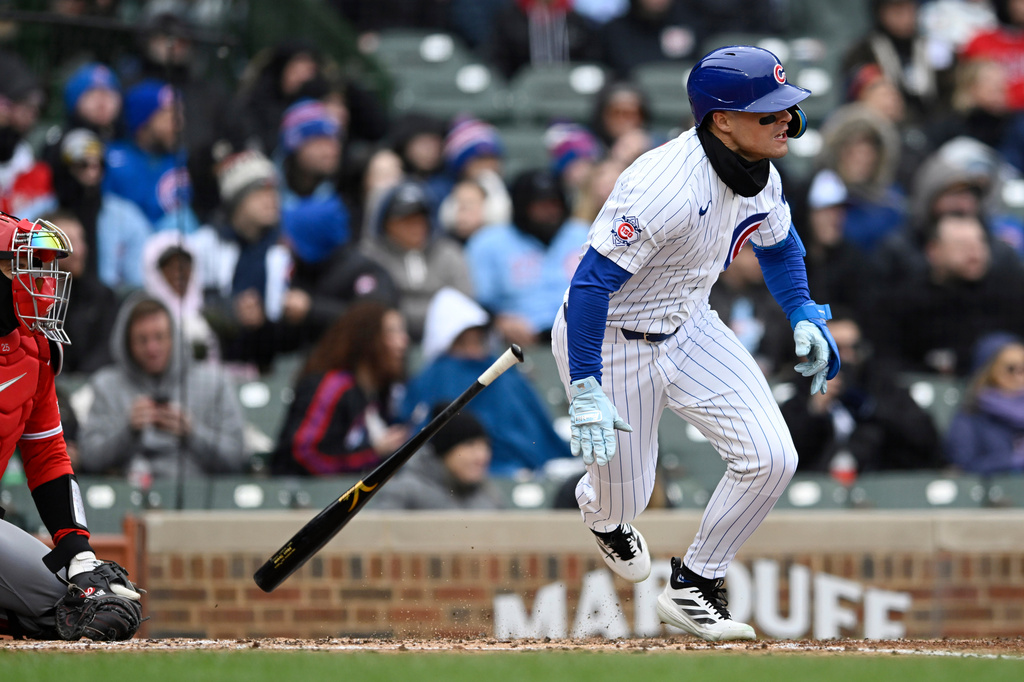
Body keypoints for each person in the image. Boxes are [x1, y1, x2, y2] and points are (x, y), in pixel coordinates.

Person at [551, 46, 840, 641]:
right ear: (721, 120)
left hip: (690, 323)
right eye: (768, 112)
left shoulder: (761, 171)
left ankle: (695, 583)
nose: (785, 119)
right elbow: (588, 286)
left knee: (773, 457)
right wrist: (585, 384)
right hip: (610, 338)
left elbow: (780, 245)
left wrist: (804, 311)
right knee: (624, 501)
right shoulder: (664, 185)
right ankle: (602, 513)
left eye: (786, 107)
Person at [0, 211, 142, 641]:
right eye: (26, 267)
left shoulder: (35, 352)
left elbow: (47, 455)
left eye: (44, 268)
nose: (42, 281)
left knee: (89, 612)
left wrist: (78, 551)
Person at [402, 287, 570, 476]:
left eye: (477, 342)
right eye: (462, 344)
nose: (473, 352)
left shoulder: (507, 376)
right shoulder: (436, 377)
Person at [77, 294, 249, 478]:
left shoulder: (215, 382)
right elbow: (88, 458)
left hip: (193, 497)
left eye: (159, 337)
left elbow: (237, 457)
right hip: (127, 495)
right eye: (142, 340)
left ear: (174, 337)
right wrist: (128, 431)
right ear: (127, 344)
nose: (152, 348)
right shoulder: (106, 385)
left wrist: (191, 432)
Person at [780, 314, 943, 475]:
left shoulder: (879, 384)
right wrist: (814, 410)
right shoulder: (799, 391)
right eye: (835, 348)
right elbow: (780, 456)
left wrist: (870, 408)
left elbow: (926, 439)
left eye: (854, 348)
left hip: (881, 487)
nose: (847, 357)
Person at [270, 302, 410, 476]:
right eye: (391, 332)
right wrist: (372, 453)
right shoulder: (333, 386)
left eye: (402, 332)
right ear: (365, 338)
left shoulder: (381, 392)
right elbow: (303, 454)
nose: (403, 342)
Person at [466, 169, 590, 347]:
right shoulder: (488, 242)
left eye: (554, 203)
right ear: (522, 208)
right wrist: (498, 321)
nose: (549, 211)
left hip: (582, 341)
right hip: (517, 346)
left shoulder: (585, 235)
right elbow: (474, 302)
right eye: (540, 205)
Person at [361, 180, 473, 341]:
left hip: (448, 339)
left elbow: (465, 302)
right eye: (405, 220)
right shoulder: (372, 256)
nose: (416, 226)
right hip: (388, 340)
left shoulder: (449, 252)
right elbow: (375, 307)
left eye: (421, 218)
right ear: (386, 224)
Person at [103, 79, 198, 233]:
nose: (179, 124)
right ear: (144, 123)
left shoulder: (181, 158)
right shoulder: (112, 160)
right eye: (170, 117)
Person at [372, 407, 505, 511]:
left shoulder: (489, 494)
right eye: (470, 445)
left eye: (485, 446)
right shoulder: (405, 491)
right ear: (446, 451)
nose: (481, 456)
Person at [946, 332, 1024, 474]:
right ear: (988, 371)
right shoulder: (970, 419)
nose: (1020, 375)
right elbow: (964, 468)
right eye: (1011, 368)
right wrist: (1012, 460)